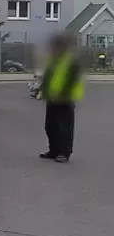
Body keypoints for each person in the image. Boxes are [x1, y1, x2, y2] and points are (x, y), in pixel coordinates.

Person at [37, 32, 83, 162]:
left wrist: (64, 93)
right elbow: (48, 78)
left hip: (64, 99)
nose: (52, 48)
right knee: (50, 126)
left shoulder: (71, 61)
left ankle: (64, 152)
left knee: (64, 127)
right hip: (52, 98)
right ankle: (54, 150)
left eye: (55, 46)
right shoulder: (53, 60)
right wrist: (43, 91)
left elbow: (73, 80)